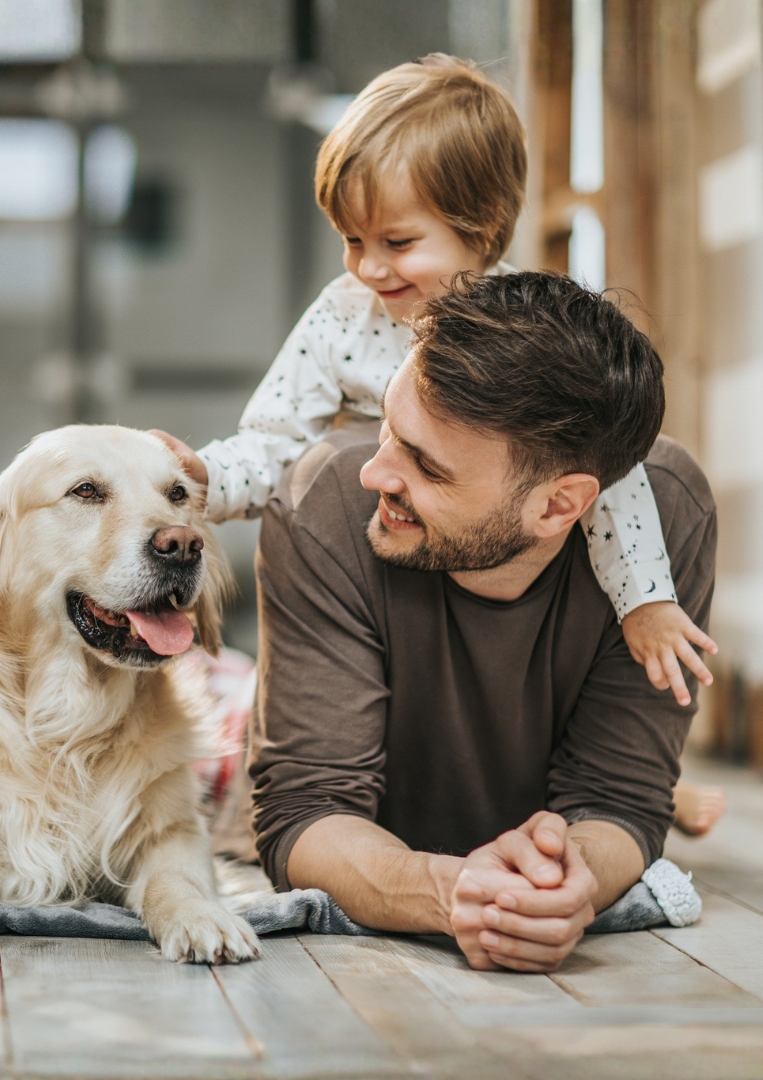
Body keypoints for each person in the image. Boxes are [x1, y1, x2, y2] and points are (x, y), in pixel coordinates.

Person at [154, 54, 725, 835]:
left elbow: (609, 474)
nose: (367, 266)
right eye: (350, 239)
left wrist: (646, 600)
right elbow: (274, 439)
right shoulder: (343, 316)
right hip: (392, 582)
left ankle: (653, 787)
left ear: (479, 229)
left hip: (494, 582)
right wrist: (204, 478)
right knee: (245, 723)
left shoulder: (528, 339)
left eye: (395, 240)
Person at [249, 270, 715, 972]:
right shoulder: (324, 504)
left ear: (559, 506)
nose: (375, 474)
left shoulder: (669, 517)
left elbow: (619, 799)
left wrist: (568, 884)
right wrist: (452, 891)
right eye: (388, 428)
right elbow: (305, 810)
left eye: (427, 467)